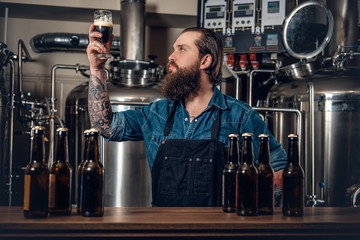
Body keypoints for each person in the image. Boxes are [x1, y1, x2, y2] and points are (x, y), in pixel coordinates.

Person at [86, 25, 287, 207]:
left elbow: (278, 167)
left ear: (204, 60)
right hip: (164, 228)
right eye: (174, 49)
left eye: (181, 49)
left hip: (220, 231)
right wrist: (97, 69)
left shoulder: (240, 116)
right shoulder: (156, 113)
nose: (171, 56)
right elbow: (106, 126)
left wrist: (255, 217)